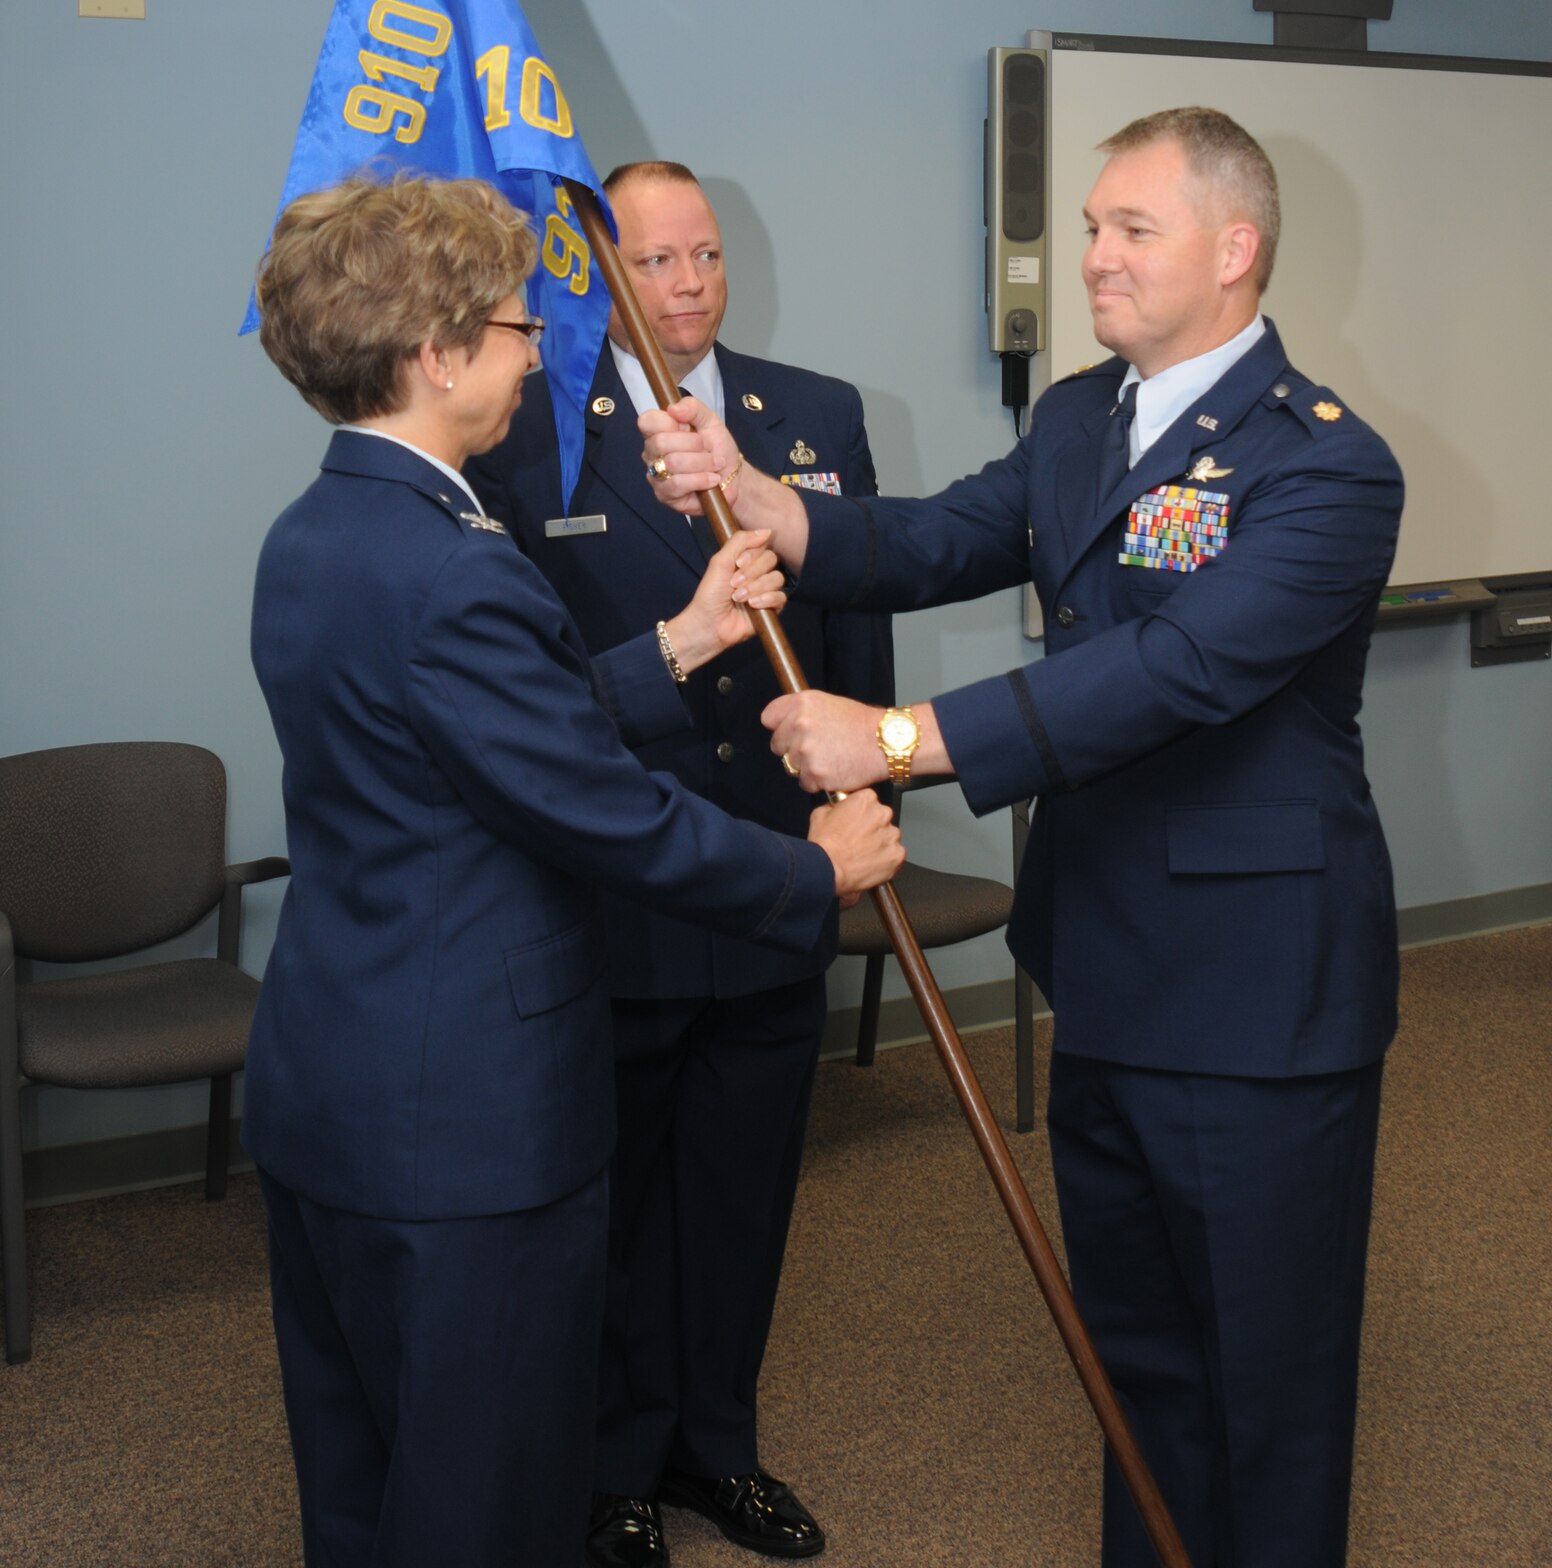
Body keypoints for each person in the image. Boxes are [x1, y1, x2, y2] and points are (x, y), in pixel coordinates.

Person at [639, 110, 1405, 1568]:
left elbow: (1172, 672)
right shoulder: (1077, 417)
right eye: (1094, 227)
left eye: (1132, 230)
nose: (1093, 257)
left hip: (1257, 998)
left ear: (1234, 252)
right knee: (1138, 1367)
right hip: (1105, 962)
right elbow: (935, 537)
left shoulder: (1325, 469)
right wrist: (762, 503)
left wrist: (901, 739)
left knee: (1268, 1383)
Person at [245, 174, 903, 1568]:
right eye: (508, 326)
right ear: (433, 356)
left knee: (367, 1475)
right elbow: (609, 815)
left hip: (339, 1077)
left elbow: (476, 740)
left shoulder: (315, 535)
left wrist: (672, 646)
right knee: (483, 1492)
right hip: (467, 1113)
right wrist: (816, 873)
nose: (539, 345)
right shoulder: (457, 566)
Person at [469, 160, 894, 1568]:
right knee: (620, 1202)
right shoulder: (531, 428)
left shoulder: (811, 415)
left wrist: (873, 789)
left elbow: (857, 628)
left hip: (785, 876)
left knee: (743, 1193)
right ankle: (613, 1470)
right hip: (632, 888)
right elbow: (525, 693)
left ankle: (721, 1448)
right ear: (601, 278)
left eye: (705, 253)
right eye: (656, 262)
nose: (692, 284)